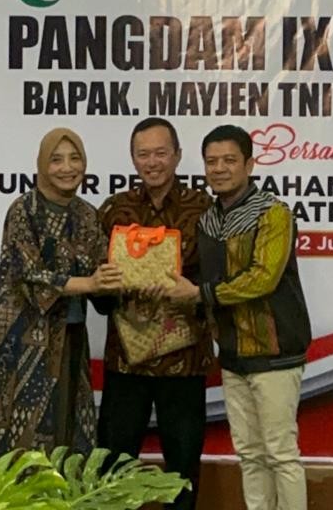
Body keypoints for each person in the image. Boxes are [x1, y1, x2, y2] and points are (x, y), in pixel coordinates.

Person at [169, 124, 312, 510]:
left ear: (249, 164)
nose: (219, 169)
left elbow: (262, 279)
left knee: (281, 453)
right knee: (249, 454)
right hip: (233, 354)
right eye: (212, 161)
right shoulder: (208, 221)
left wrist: (199, 294)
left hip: (275, 351)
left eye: (229, 160)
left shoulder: (273, 214)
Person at [0, 128, 122, 482]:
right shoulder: (23, 211)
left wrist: (126, 273)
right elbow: (30, 275)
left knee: (66, 430)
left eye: (75, 158)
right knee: (17, 436)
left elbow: (104, 268)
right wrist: (89, 283)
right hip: (21, 342)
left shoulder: (86, 215)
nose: (67, 168)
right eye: (57, 160)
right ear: (41, 164)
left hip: (69, 338)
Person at [93, 118, 213, 510]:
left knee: (182, 471)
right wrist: (110, 286)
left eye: (161, 153)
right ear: (133, 159)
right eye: (143, 154)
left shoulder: (205, 210)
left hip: (184, 361)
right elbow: (96, 288)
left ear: (177, 155)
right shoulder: (114, 210)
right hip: (126, 362)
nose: (152, 162)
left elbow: (220, 282)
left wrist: (191, 292)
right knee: (113, 467)